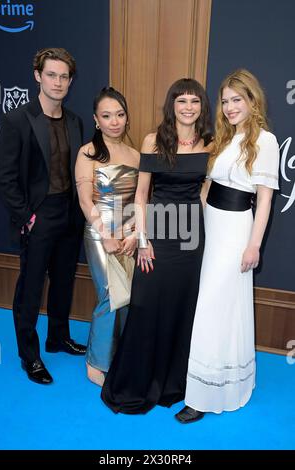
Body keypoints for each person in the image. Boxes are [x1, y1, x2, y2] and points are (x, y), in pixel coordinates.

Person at [101, 78, 213, 413]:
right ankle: (138, 380)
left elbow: (206, 193)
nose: (188, 107)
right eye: (181, 101)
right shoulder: (153, 140)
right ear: (172, 105)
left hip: (192, 236)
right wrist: (144, 240)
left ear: (201, 107)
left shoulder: (210, 143)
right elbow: (141, 194)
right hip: (158, 232)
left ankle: (173, 382)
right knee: (147, 305)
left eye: (194, 101)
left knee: (183, 307)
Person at [175, 69, 280, 423]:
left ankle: (204, 396)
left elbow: (263, 201)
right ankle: (210, 382)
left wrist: (254, 246)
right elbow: (208, 187)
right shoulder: (224, 139)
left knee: (213, 308)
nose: (230, 107)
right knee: (215, 306)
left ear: (252, 101)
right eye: (225, 101)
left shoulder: (265, 140)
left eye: (237, 99)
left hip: (237, 232)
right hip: (213, 229)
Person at [0, 48, 86, 385]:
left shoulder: (76, 121)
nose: (58, 82)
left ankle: (58, 338)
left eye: (64, 76)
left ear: (70, 81)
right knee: (31, 287)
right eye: (51, 75)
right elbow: (4, 176)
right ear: (38, 76)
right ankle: (29, 356)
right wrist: (26, 216)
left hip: (69, 212)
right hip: (38, 215)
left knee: (63, 280)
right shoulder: (17, 120)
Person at [75, 87, 139, 387]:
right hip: (99, 231)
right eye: (107, 116)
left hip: (127, 234)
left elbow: (142, 200)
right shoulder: (88, 152)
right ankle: (96, 361)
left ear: (127, 117)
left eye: (120, 114)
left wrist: (133, 233)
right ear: (96, 120)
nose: (114, 121)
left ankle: (120, 354)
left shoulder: (136, 155)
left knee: (127, 296)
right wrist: (106, 234)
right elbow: (86, 201)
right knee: (110, 295)